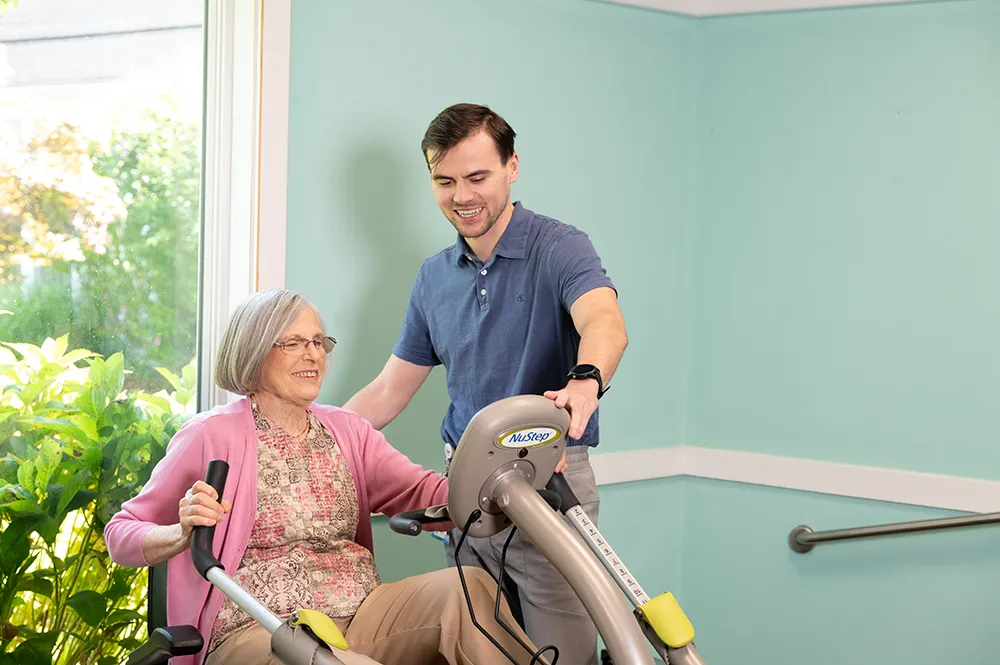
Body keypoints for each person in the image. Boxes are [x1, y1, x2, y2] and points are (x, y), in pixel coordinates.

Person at [105, 289, 542, 665]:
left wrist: (507, 471)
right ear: (255, 351)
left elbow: (428, 492)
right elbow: (121, 534)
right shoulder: (210, 435)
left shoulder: (347, 430)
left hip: (362, 612)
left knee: (466, 590)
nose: (313, 353)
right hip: (258, 629)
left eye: (318, 341)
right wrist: (179, 533)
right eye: (293, 343)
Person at [344, 103, 629, 665]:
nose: (461, 196)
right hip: (468, 489)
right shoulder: (433, 277)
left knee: (561, 653)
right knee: (478, 645)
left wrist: (585, 380)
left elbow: (604, 322)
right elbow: (389, 391)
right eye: (444, 181)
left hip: (548, 482)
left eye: (477, 177)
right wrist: (312, 436)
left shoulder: (559, 247)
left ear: (512, 167)